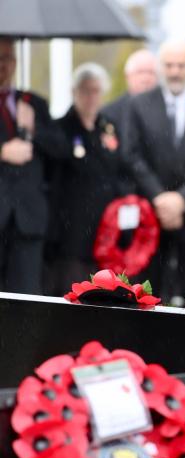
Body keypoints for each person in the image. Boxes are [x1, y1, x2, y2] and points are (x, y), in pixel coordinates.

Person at [125, 40, 185, 303]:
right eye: (169, 65)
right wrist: (159, 197)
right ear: (160, 68)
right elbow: (132, 155)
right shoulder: (140, 105)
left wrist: (182, 199)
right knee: (147, 294)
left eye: (181, 65)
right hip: (151, 216)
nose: (175, 71)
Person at [47, 63, 132, 293]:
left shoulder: (108, 128)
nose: (90, 97)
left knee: (103, 292)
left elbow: (120, 169)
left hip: (105, 227)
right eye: (85, 90)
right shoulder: (60, 128)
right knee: (73, 289)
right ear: (74, 92)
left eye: (96, 90)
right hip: (71, 228)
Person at [0, 37, 64, 294]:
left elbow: (62, 149)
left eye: (7, 58)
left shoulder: (33, 103)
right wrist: (2, 151)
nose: (2, 64)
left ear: (15, 62)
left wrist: (34, 129)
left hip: (28, 220)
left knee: (25, 299)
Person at [101, 49, 157, 140]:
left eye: (151, 72)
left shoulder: (167, 110)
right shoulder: (110, 113)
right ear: (128, 76)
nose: (146, 78)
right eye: (140, 72)